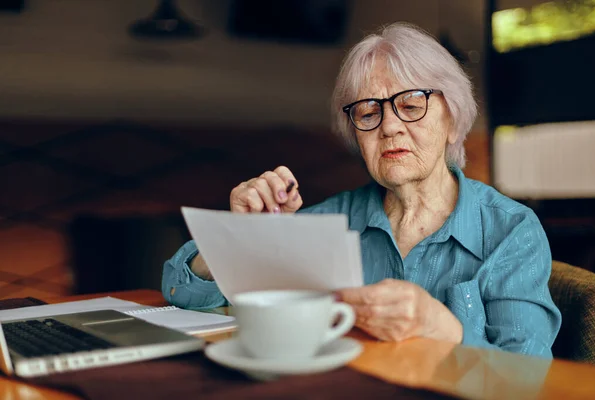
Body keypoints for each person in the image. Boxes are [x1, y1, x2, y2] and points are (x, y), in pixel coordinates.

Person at [161, 22, 561, 357]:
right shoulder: (330, 223)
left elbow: (528, 379)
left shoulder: (511, 232)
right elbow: (181, 293)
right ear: (357, 136)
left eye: (410, 104)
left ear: (453, 121)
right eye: (369, 112)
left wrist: (445, 331)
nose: (389, 127)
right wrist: (240, 237)